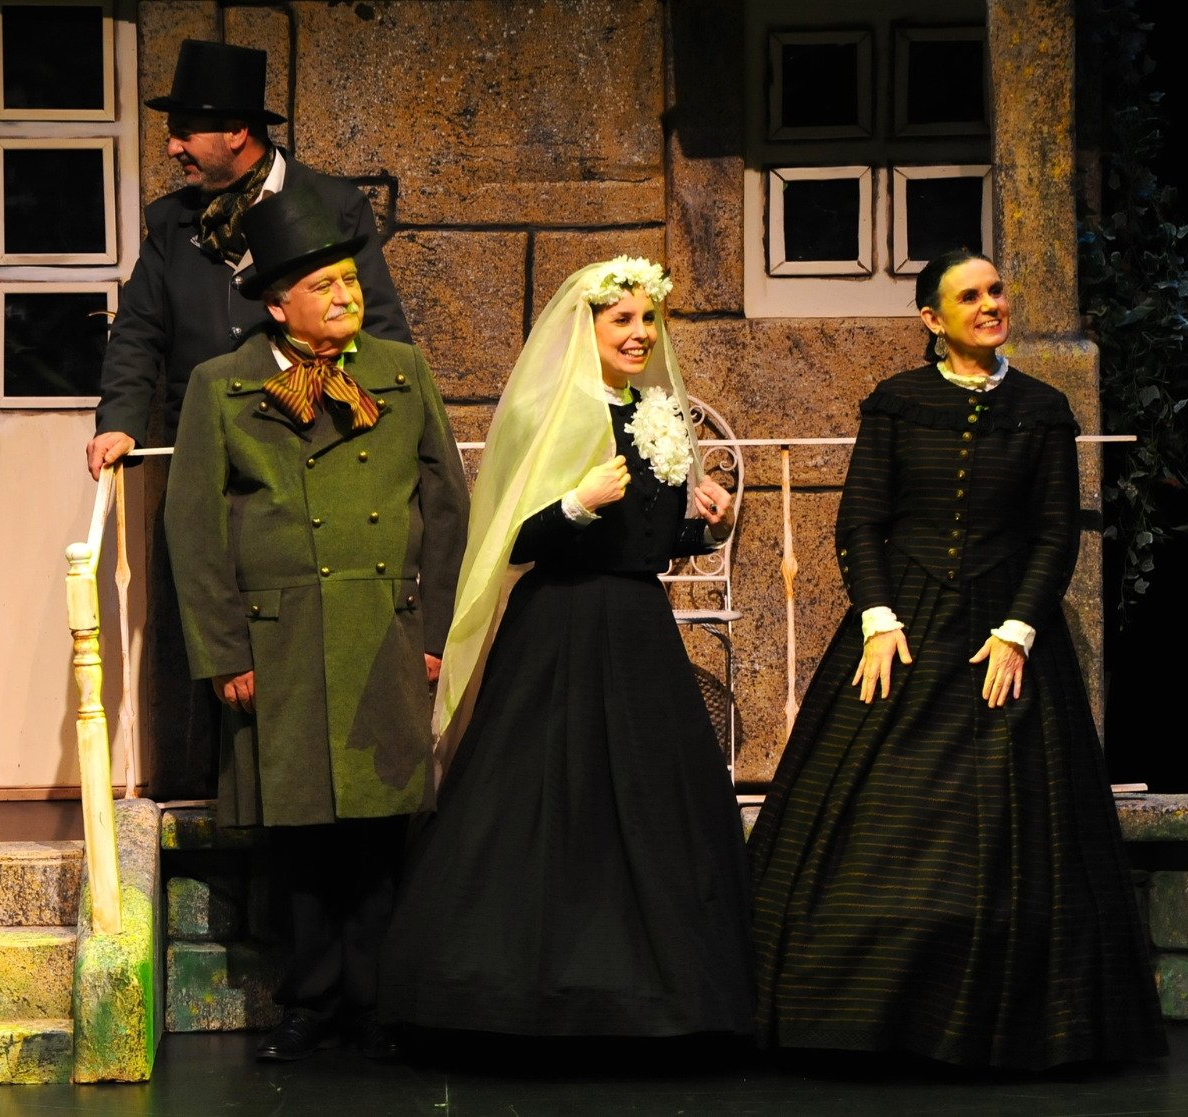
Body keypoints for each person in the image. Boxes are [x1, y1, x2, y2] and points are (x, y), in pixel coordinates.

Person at [748, 249, 1167, 1070]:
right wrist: (877, 619)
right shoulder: (899, 403)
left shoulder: (1041, 410)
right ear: (932, 319)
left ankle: (995, 1029)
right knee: (867, 817)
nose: (990, 305)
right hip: (902, 622)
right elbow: (860, 521)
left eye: (996, 290)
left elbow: (1055, 534)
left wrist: (1018, 629)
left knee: (1012, 826)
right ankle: (851, 1022)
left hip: (1001, 625)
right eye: (969, 296)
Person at [378, 257, 755, 1043]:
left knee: (650, 801)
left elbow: (650, 539)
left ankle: (661, 994)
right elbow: (510, 538)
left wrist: (707, 527)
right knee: (543, 796)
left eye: (647, 320)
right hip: (562, 624)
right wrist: (576, 505)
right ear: (586, 326)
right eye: (622, 319)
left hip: (637, 625)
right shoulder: (548, 409)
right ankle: (517, 992)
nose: (639, 334)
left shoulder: (655, 412)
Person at [164, 186, 467, 1061]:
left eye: (350, 281)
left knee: (378, 829)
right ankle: (309, 1001)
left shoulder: (400, 371)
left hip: (383, 630)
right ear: (277, 303)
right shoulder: (224, 385)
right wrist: (225, 649)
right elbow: (194, 526)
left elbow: (449, 506)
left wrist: (435, 632)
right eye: (324, 286)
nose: (344, 296)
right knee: (297, 835)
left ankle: (377, 1002)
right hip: (280, 638)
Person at [87, 38, 411, 799]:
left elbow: (378, 324)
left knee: (312, 622)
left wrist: (372, 422)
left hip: (313, 446)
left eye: (184, 132)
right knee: (212, 625)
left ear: (237, 132)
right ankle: (210, 798)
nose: (172, 148)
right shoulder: (174, 223)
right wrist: (121, 419)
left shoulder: (332, 203)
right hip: (210, 452)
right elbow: (139, 329)